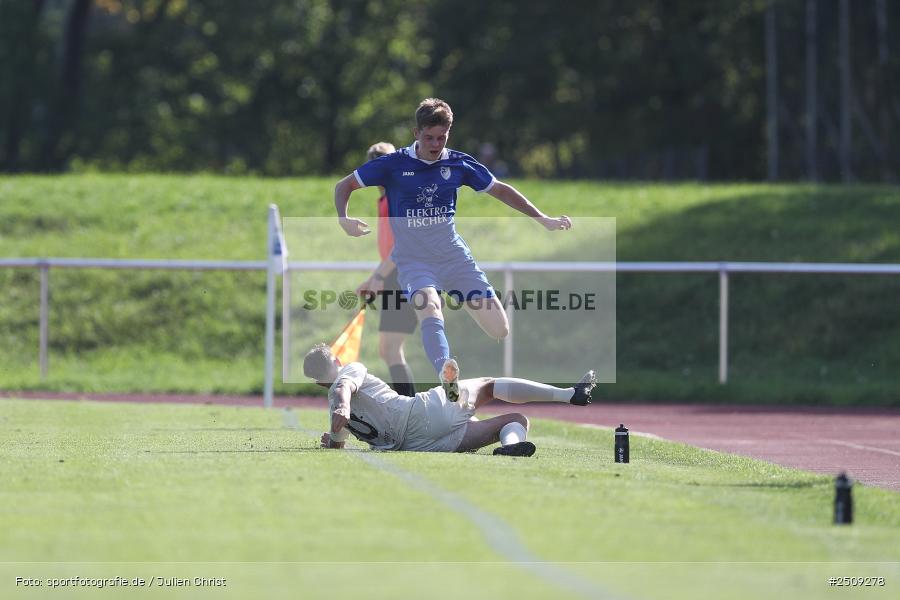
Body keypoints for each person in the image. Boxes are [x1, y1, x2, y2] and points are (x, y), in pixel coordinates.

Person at [333, 98, 573, 404]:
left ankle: (458, 312)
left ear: (448, 133)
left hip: (454, 257)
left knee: (499, 329)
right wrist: (343, 218)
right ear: (416, 133)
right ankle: (447, 376)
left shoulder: (459, 164)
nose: (435, 144)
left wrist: (543, 219)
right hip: (414, 261)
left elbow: (501, 190)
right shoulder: (393, 164)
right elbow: (343, 186)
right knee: (430, 308)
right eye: (429, 137)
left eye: (441, 137)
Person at [303, 343, 596, 457]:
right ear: (338, 360)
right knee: (488, 386)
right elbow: (344, 387)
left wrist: (332, 440)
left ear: (317, 382)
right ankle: (569, 395)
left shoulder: (333, 411)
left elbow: (337, 440)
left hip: (419, 445)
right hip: (421, 414)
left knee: (516, 421)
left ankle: (511, 447)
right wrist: (343, 404)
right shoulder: (348, 372)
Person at [355, 142, 418, 397]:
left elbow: (403, 244)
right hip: (395, 275)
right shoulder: (385, 198)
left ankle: (411, 409)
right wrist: (375, 277)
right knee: (389, 350)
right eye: (374, 161)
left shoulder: (395, 197)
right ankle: (410, 407)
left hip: (404, 275)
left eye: (382, 160)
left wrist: (379, 276)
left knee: (391, 349)